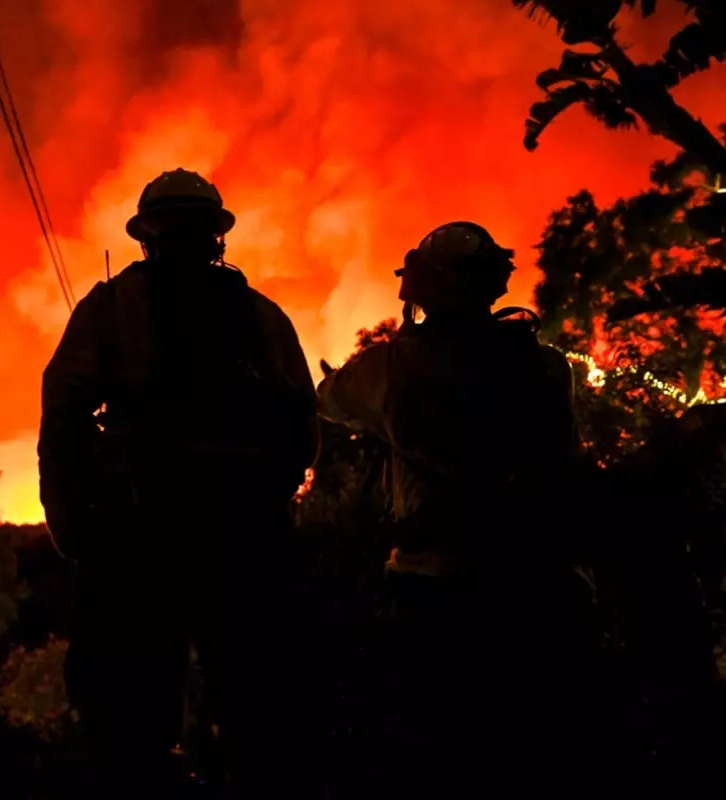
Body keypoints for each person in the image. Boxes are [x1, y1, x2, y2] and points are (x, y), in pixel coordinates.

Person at [39, 169, 321, 798]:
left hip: (140, 544)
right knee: (262, 723)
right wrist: (267, 506)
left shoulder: (112, 308)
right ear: (217, 235)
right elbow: (303, 429)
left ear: (147, 236)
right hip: (245, 544)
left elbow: (63, 418)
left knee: (127, 729)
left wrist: (75, 523)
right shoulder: (261, 316)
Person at [317, 221, 613, 797]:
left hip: (435, 583)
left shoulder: (393, 367)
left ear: (423, 290)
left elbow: (331, 402)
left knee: (446, 749)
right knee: (540, 749)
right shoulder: (548, 367)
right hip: (539, 579)